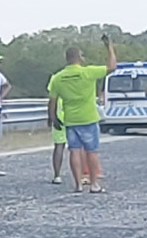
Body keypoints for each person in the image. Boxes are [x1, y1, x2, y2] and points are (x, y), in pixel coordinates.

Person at [47, 36, 117, 193]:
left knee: (74, 151)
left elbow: (52, 100)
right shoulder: (88, 72)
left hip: (71, 119)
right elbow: (112, 67)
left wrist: (53, 117)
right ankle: (93, 184)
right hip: (88, 118)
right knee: (91, 151)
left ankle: (78, 184)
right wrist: (109, 47)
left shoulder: (58, 77)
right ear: (79, 57)